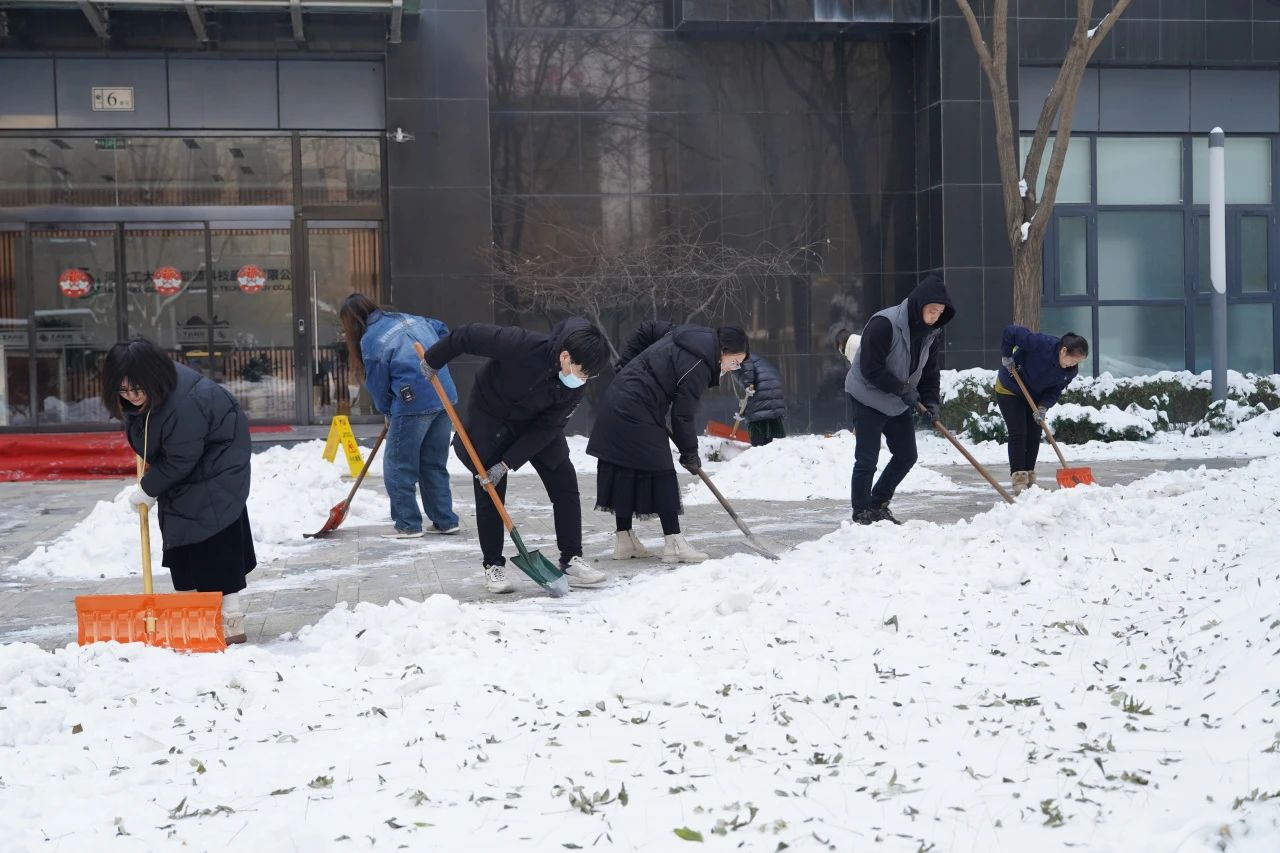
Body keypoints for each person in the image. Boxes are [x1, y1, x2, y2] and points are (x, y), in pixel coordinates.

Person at [422, 317, 611, 594]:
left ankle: (571, 559)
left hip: (537, 425)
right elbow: (467, 335)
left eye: (588, 377)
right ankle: (493, 565)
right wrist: (433, 359)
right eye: (581, 372)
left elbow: (549, 427)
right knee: (489, 487)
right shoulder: (521, 345)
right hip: (492, 417)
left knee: (565, 482)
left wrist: (508, 462)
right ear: (565, 356)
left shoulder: (575, 385)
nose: (582, 380)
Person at [101, 338, 255, 644]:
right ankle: (193, 614)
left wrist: (149, 488)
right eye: (123, 390)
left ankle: (231, 618)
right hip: (191, 462)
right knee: (182, 537)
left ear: (151, 376)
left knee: (214, 539)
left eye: (136, 389)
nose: (131, 396)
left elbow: (181, 458)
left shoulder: (184, 404)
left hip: (219, 467)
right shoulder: (151, 393)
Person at [587, 322, 750, 563]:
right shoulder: (701, 364)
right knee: (661, 471)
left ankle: (625, 540)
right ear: (723, 351)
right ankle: (674, 544)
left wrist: (626, 366)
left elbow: (648, 329)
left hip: (622, 397)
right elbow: (682, 415)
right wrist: (689, 453)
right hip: (636, 405)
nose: (732, 368)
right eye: (734, 362)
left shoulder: (688, 335)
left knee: (623, 467)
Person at [339, 294, 460, 539]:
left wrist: (387, 410)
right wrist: (438, 358)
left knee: (398, 466)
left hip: (412, 403)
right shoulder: (410, 318)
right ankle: (445, 520)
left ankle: (408, 524)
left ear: (352, 322)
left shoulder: (371, 339)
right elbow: (442, 329)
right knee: (433, 463)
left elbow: (377, 384)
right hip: (443, 395)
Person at [845, 274, 955, 525]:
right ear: (919, 304)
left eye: (940, 313)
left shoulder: (930, 334)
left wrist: (931, 401)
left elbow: (930, 372)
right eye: (932, 310)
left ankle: (878, 503)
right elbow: (869, 368)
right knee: (867, 458)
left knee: (906, 455)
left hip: (896, 400)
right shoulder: (884, 324)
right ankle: (861, 511)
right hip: (867, 395)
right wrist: (901, 388)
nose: (936, 317)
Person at [996, 327, 1089, 494]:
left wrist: (1043, 406)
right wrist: (1006, 355)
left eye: (1077, 362)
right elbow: (1010, 332)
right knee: (1019, 433)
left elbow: (1055, 389)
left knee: (1034, 433)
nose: (1072, 365)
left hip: (1034, 397)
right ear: (1063, 350)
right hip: (1011, 388)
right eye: (1072, 360)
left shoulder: (1070, 372)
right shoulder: (1041, 344)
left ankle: (1029, 477)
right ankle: (1019, 479)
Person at [738, 353, 787, 447]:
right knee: (770, 436)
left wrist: (748, 385)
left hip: (762, 394)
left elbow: (749, 381)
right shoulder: (756, 359)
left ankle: (759, 447)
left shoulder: (741, 358)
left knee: (757, 433)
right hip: (774, 393)